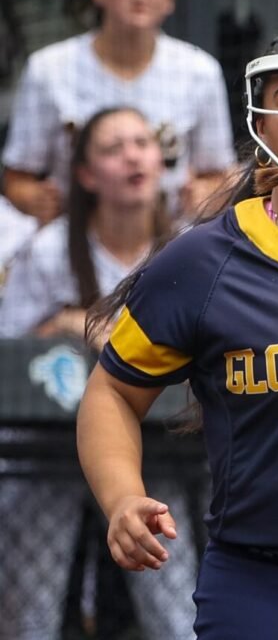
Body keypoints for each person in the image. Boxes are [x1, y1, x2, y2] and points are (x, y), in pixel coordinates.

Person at [75, 14, 278, 639]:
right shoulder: (202, 260)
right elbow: (112, 391)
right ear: (258, 121)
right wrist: (122, 497)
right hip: (270, 584)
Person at [0, 106, 198, 640]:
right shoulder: (47, 250)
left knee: (176, 616)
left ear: (162, 161)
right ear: (85, 175)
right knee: (29, 616)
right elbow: (7, 352)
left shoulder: (190, 247)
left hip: (158, 450)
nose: (133, 155)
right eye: (113, 148)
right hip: (44, 452)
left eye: (142, 142)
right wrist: (65, 323)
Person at [2, 0, 236, 225]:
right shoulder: (47, 69)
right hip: (74, 244)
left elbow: (218, 174)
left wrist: (206, 192)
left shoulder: (201, 72)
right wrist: (33, 199)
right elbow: (17, 178)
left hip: (169, 248)